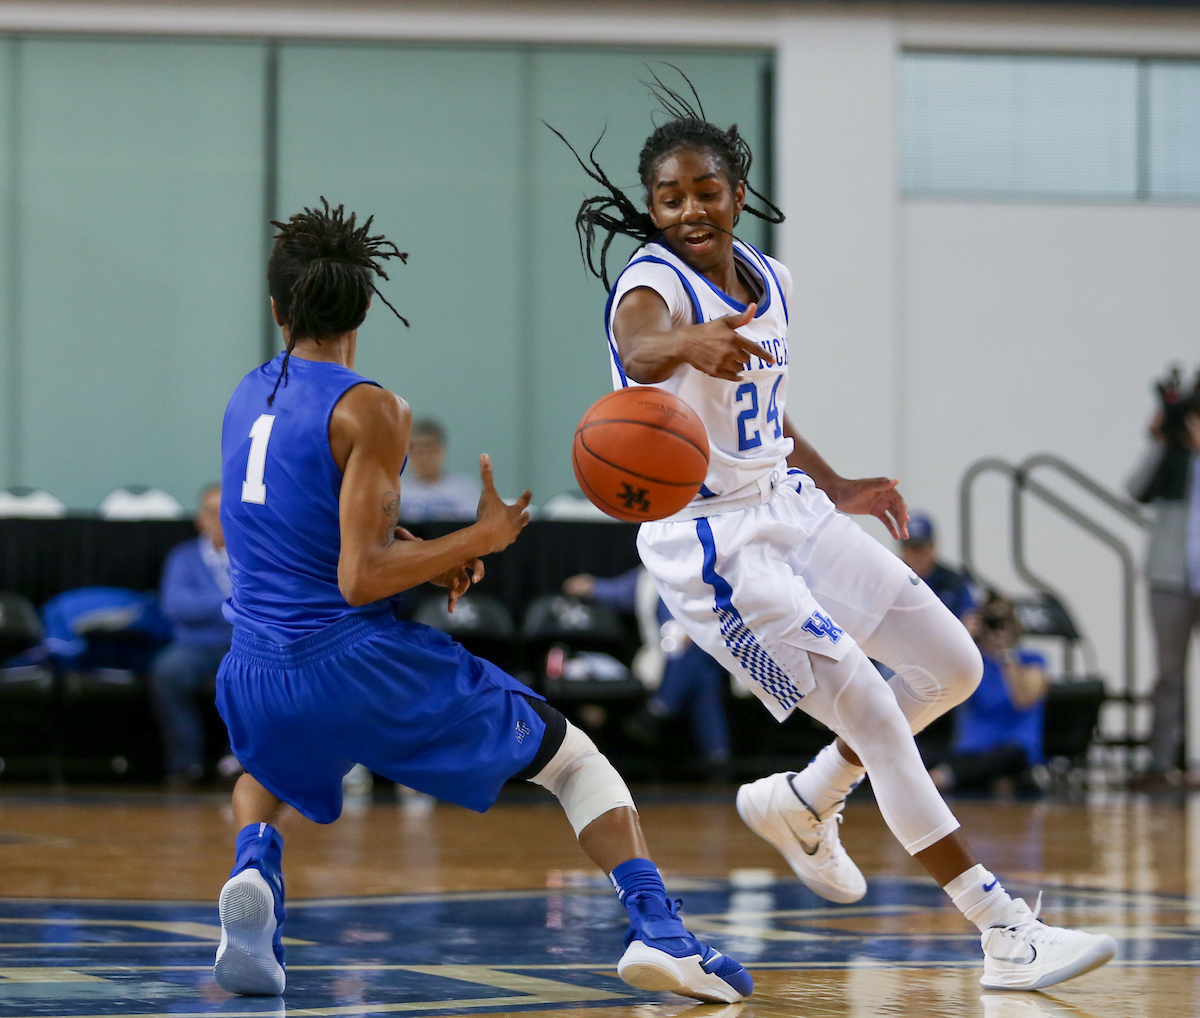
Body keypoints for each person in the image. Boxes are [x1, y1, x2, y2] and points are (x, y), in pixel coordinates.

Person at [553, 71, 1115, 990]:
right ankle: (1003, 928)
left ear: (736, 191)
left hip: (788, 504)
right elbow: (646, 344)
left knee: (954, 666)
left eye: (706, 190)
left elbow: (762, 413)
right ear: (653, 211)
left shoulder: (769, 279)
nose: (690, 208)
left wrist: (840, 482)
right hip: (712, 547)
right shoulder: (648, 288)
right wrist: (688, 345)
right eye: (670, 197)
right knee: (875, 710)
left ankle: (808, 797)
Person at [212, 199, 751, 1004]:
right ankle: (661, 932)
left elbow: (309, 545)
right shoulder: (372, 408)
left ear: (276, 308)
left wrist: (424, 564)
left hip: (252, 668)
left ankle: (254, 866)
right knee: (573, 761)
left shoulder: (246, 396)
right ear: (365, 307)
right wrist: (478, 539)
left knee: (273, 765)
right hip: (353, 662)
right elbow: (358, 578)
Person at [564, 569, 732, 773]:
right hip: (666, 653)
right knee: (703, 678)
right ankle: (717, 757)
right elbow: (620, 592)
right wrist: (593, 586)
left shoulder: (708, 572)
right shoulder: (650, 574)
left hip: (711, 648)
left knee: (691, 654)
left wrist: (695, 631)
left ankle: (659, 709)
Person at [1127, 369, 1200, 783]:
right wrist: (1159, 440)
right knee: (1169, 674)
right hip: (1170, 577)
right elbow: (1136, 489)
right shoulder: (1172, 453)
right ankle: (1161, 763)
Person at [149, 483, 234, 785]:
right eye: (213, 512)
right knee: (167, 671)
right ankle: (186, 763)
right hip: (193, 645)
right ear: (200, 519)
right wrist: (229, 603)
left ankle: (238, 760)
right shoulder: (183, 558)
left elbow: (265, 605)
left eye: (227, 511)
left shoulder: (254, 556)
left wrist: (210, 606)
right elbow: (175, 606)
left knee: (258, 674)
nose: (220, 519)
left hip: (242, 644)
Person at [928, 593, 1049, 794]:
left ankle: (946, 777)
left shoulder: (1031, 660)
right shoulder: (972, 662)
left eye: (1004, 621)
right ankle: (979, 778)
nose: (997, 629)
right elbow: (934, 684)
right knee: (922, 751)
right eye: (992, 622)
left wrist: (1007, 656)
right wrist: (960, 639)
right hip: (969, 752)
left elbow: (1025, 698)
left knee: (1008, 757)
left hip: (1013, 752)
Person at [900, 512, 978, 623]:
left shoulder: (953, 582)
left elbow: (969, 618)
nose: (916, 554)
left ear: (932, 546)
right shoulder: (892, 581)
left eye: (921, 547)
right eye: (912, 548)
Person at [397, 418, 480, 521]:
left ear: (442, 451)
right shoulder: (396, 490)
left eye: (431, 450)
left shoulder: (465, 489)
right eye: (419, 451)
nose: (425, 457)